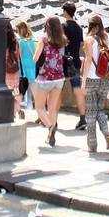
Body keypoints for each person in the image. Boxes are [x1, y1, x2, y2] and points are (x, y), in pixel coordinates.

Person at [31, 16, 68, 146]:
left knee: (39, 107)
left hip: (45, 78)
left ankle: (50, 127)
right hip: (59, 78)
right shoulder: (63, 41)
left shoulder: (44, 40)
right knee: (52, 109)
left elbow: (35, 59)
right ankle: (50, 136)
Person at [83, 14, 109, 153]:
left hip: (91, 79)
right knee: (100, 110)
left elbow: (88, 60)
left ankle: (92, 145)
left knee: (90, 112)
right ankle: (106, 132)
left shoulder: (89, 40)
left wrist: (83, 80)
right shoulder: (108, 39)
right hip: (105, 78)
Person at [61, 2, 87, 130]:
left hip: (63, 61)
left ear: (66, 12)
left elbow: (61, 44)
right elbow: (80, 45)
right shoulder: (78, 27)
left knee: (57, 90)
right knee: (77, 90)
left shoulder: (63, 26)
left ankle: (53, 120)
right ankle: (83, 118)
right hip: (75, 61)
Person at [15, 19, 37, 120]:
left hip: (24, 68)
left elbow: (18, 56)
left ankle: (18, 109)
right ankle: (39, 114)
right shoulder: (33, 40)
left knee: (22, 89)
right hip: (33, 67)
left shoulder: (20, 42)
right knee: (35, 91)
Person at [3, 21, 22, 120]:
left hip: (5, 70)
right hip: (14, 70)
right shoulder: (15, 41)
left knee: (6, 93)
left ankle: (14, 112)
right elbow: (19, 56)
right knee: (14, 92)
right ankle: (17, 110)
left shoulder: (1, 40)